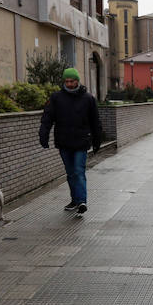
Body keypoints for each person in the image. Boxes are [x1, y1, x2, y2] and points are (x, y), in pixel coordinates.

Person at [39, 67, 103, 214]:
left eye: (71, 81)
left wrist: (97, 140)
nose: (69, 84)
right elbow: (47, 118)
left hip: (81, 142)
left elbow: (95, 121)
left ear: (77, 81)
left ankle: (82, 201)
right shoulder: (56, 98)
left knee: (79, 171)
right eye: (66, 81)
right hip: (64, 142)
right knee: (70, 173)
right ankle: (75, 200)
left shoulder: (88, 99)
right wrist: (43, 134)